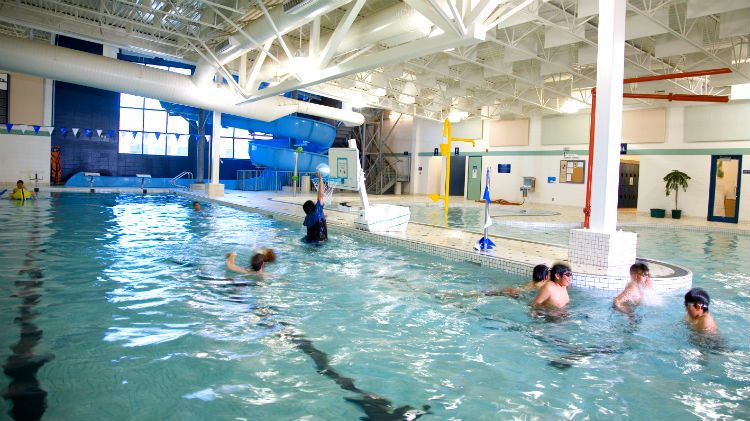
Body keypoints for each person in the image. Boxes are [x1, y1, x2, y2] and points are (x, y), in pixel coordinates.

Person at [485, 264, 550, 298]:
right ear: (546, 276)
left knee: (497, 293)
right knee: (498, 293)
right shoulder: (542, 284)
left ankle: (483, 293)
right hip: (518, 293)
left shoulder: (533, 281)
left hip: (517, 290)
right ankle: (483, 294)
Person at [302, 170, 328, 243]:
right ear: (314, 206)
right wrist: (320, 179)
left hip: (309, 241)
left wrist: (322, 216)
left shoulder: (307, 218)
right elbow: (320, 195)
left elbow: (308, 224)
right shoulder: (318, 210)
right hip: (323, 240)